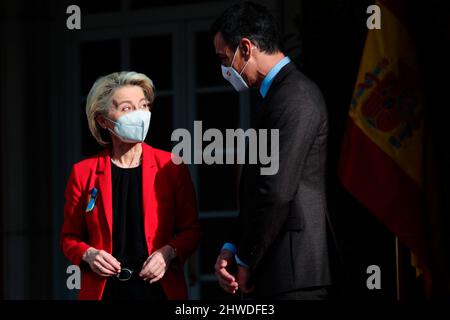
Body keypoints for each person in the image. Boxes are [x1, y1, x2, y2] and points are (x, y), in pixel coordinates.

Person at [212, 2, 333, 300]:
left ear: (246, 48)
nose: (225, 69)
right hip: (278, 272)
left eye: (224, 59)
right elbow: (257, 188)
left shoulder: (295, 96)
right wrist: (232, 244)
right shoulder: (276, 95)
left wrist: (245, 258)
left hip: (293, 275)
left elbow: (275, 190)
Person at [60, 71, 200, 300]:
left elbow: (191, 230)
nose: (140, 115)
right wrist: (89, 254)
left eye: (143, 106)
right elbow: (69, 238)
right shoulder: (83, 172)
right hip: (105, 293)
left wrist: (168, 252)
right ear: (103, 120)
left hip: (159, 291)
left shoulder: (171, 166)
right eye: (127, 108)